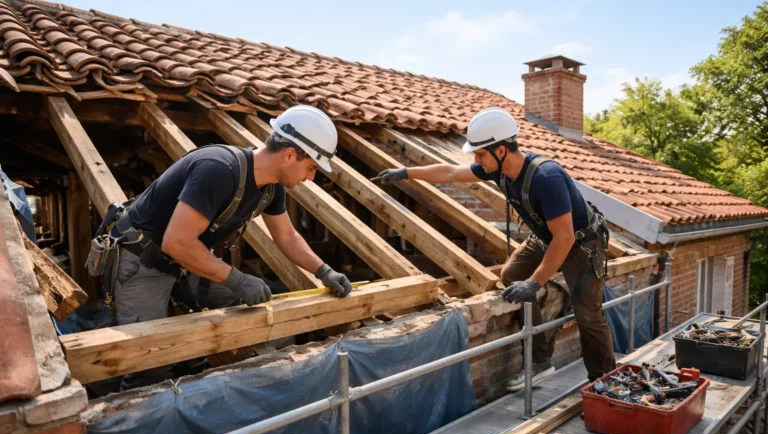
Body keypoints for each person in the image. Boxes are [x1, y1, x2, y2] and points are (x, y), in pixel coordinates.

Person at [99, 105, 352, 389]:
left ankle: (210, 374)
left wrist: (323, 271)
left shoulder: (271, 186)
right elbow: (177, 242)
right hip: (142, 259)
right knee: (148, 365)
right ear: (290, 154)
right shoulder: (219, 169)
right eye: (312, 168)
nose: (310, 177)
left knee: (248, 311)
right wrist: (237, 279)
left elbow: (287, 237)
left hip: (185, 261)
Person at [373, 107, 615, 388]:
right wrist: (406, 172)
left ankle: (604, 382)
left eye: (480, 155)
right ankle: (539, 361)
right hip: (547, 236)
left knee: (588, 314)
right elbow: (451, 172)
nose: (476, 161)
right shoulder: (498, 170)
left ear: (501, 150)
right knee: (512, 276)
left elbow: (565, 239)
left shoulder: (546, 178)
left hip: (582, 243)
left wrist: (536, 283)